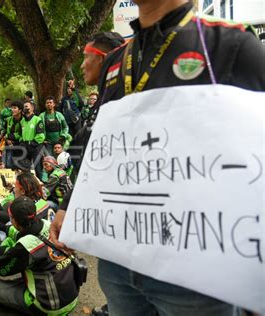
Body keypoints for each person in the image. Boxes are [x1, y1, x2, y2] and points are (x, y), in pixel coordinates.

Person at [53, 2, 265, 315]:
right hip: (117, 266)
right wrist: (68, 206)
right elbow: (104, 147)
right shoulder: (114, 64)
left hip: (195, 277)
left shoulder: (232, 45)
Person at [0, 196, 79, 315]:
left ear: (14, 220)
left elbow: (1, 268)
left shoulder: (26, 246)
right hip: (72, 297)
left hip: (49, 306)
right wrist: (3, 228)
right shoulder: (47, 224)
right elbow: (27, 233)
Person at [20, 101, 45, 179]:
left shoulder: (37, 119)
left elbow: (41, 136)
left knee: (38, 168)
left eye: (27, 106)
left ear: (32, 108)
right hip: (25, 147)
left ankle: (41, 186)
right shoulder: (22, 121)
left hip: (35, 146)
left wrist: (31, 143)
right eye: (24, 107)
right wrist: (22, 142)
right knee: (25, 168)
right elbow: (21, 134)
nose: (25, 108)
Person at [3, 100, 23, 169]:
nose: (12, 110)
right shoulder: (8, 119)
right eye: (12, 108)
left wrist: (8, 136)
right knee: (8, 164)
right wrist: (7, 139)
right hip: (9, 144)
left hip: (20, 145)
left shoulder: (24, 120)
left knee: (19, 165)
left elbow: (21, 134)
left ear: (20, 110)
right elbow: (5, 130)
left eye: (15, 108)